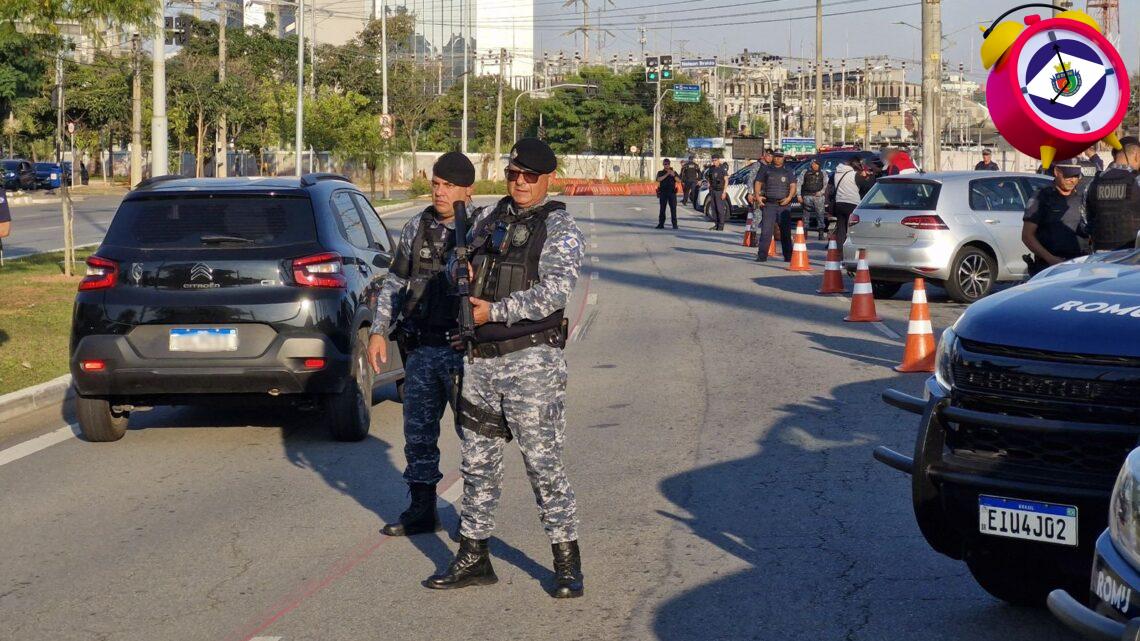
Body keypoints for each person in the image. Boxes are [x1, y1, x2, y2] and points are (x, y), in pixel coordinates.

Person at [427, 138, 585, 599]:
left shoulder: (560, 226)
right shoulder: (487, 218)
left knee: (543, 465)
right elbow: (460, 260)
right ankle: (474, 556)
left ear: (547, 179)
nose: (519, 182)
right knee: (477, 465)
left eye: (529, 177)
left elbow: (555, 292)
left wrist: (491, 312)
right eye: (514, 174)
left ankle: (566, 561)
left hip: (530, 360)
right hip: (480, 362)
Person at [366, 152, 475, 537]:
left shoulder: (480, 228)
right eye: (436, 184)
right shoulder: (418, 225)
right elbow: (395, 281)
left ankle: (475, 522)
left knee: (475, 439)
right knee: (419, 435)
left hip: (465, 353)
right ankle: (421, 509)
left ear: (468, 189)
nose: (440, 192)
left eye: (448, 185)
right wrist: (379, 330)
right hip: (423, 347)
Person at [1021, 159, 1089, 276]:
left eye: (1076, 176)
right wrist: (1051, 259)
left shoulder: (1083, 197)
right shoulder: (1042, 196)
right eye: (1068, 176)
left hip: (1079, 264)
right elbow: (1027, 236)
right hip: (1049, 267)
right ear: (1057, 172)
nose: (1072, 180)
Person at [1085, 136, 1140, 252]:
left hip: (1100, 257)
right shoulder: (1137, 181)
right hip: (1132, 256)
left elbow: (1084, 221)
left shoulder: (1094, 181)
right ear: (1137, 155)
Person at [753, 151, 797, 262]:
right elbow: (757, 182)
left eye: (780, 157)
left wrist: (789, 198)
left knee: (785, 232)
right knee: (766, 231)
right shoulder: (765, 169)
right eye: (776, 157)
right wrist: (757, 196)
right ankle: (762, 256)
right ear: (773, 157)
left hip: (784, 205)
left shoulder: (788, 170)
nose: (778, 159)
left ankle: (788, 256)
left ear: (783, 158)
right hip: (769, 204)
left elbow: (793, 185)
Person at [832, 158, 862, 248]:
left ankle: (840, 250)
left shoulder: (836, 173)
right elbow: (864, 186)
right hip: (852, 203)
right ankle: (850, 248)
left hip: (839, 202)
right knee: (851, 228)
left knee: (841, 228)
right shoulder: (855, 174)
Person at [799, 157, 828, 240]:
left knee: (820, 215)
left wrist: (821, 192)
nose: (815, 166)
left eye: (816, 164)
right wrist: (798, 195)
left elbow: (825, 185)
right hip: (807, 196)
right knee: (805, 216)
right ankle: (804, 234)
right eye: (813, 164)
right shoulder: (805, 172)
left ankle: (821, 234)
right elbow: (799, 183)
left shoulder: (823, 173)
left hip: (818, 197)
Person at [705, 154, 729, 231]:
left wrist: (724, 192)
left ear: (718, 160)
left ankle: (721, 225)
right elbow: (708, 176)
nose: (714, 162)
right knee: (714, 208)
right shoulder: (711, 168)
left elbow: (726, 180)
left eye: (715, 160)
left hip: (720, 191)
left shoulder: (722, 168)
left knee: (720, 209)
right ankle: (716, 224)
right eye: (713, 160)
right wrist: (709, 183)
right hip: (712, 190)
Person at [655, 158, 679, 229]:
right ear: (663, 164)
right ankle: (661, 224)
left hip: (672, 193)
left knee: (673, 209)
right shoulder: (660, 172)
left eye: (668, 164)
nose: (667, 165)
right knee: (662, 209)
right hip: (663, 193)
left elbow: (679, 180)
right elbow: (658, 179)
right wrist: (667, 174)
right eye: (665, 164)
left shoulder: (674, 172)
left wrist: (673, 175)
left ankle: (674, 224)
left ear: (669, 164)